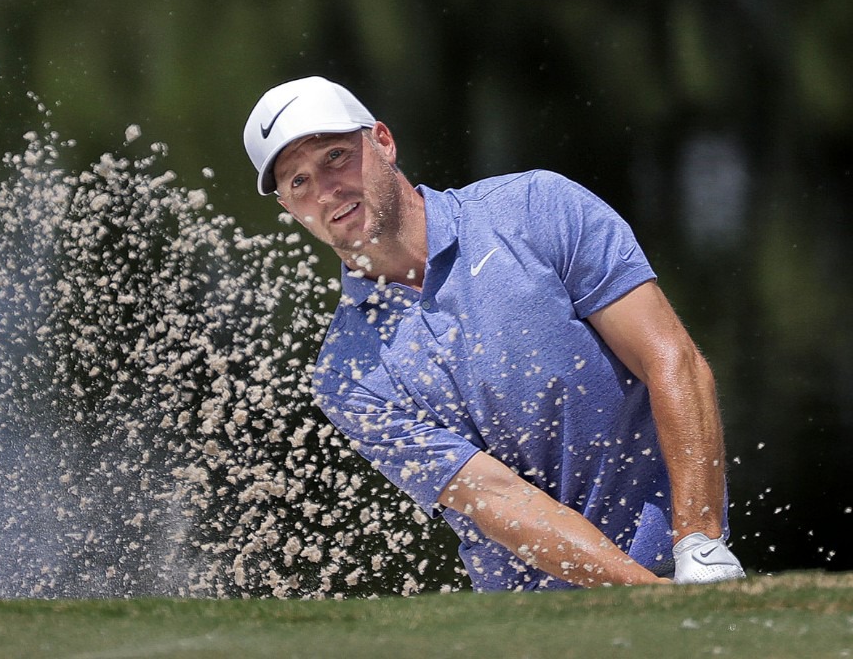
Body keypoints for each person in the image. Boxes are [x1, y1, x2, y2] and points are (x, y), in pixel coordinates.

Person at [242, 75, 747, 591]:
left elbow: (670, 360)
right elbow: (496, 497)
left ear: (384, 142)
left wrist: (700, 545)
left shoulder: (535, 208)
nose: (327, 191)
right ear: (288, 208)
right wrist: (646, 597)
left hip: (682, 563)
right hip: (536, 621)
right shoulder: (348, 374)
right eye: (298, 182)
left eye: (335, 156)